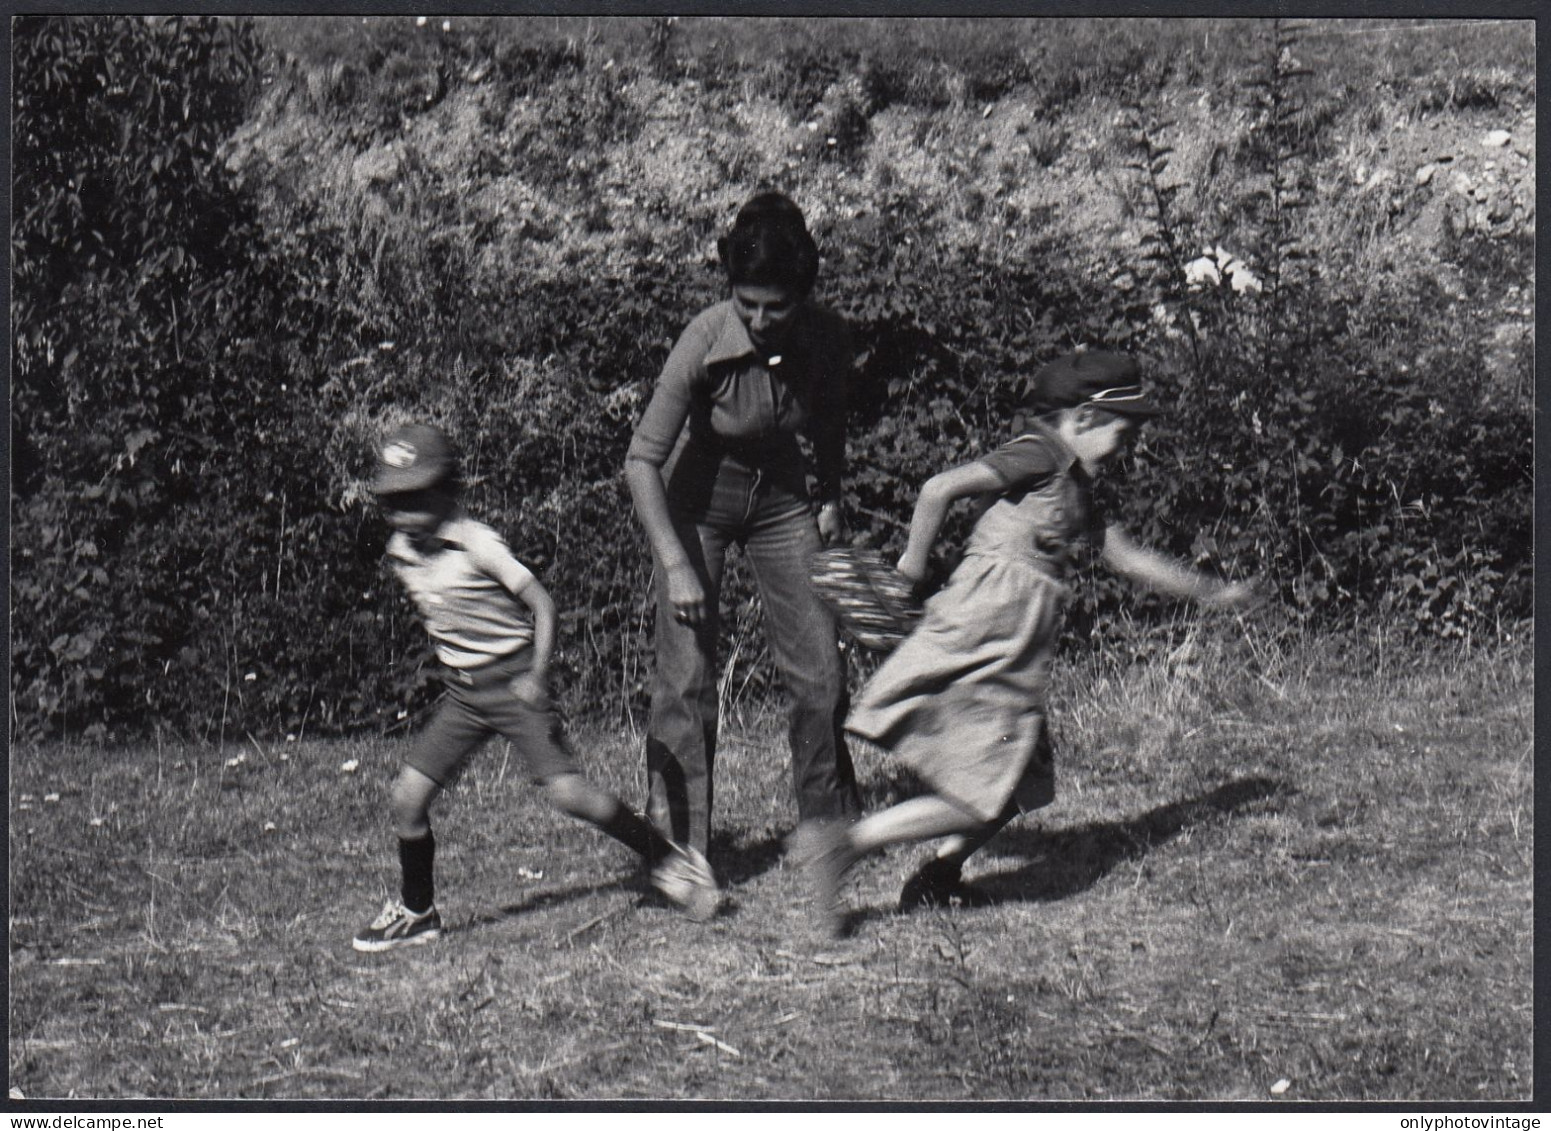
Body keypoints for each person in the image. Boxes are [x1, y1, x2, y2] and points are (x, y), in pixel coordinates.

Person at [789, 350, 1259, 937]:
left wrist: (1211, 590)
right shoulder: (1040, 453)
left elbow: (1127, 557)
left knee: (1023, 786)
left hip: (1019, 647)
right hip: (985, 633)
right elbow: (940, 488)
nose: (1129, 443)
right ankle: (841, 844)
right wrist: (908, 574)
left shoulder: (1079, 486)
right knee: (981, 794)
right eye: (1123, 428)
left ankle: (939, 873)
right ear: (1084, 418)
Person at [354, 422, 719, 952]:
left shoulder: (479, 544)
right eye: (393, 502)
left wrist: (536, 674)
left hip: (514, 682)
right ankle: (418, 912)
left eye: (416, 498)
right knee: (407, 799)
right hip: (464, 693)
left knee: (570, 795)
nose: (403, 515)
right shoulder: (401, 547)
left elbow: (542, 604)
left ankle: (670, 860)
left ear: (448, 490)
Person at [624, 191, 862, 863]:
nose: (758, 319)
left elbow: (830, 419)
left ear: (803, 295)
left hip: (781, 500)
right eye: (746, 302)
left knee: (819, 670)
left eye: (775, 307)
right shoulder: (704, 336)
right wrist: (674, 563)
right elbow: (641, 462)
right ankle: (677, 849)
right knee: (687, 677)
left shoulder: (824, 337)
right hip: (694, 504)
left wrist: (831, 492)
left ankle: (828, 825)